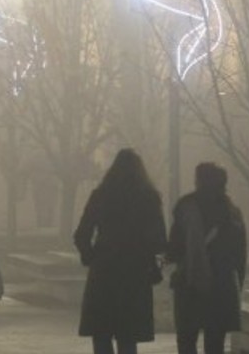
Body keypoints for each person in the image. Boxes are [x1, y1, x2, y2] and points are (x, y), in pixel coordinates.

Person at [74, 148, 166, 354]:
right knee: (128, 336)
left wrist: (90, 257)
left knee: (102, 334)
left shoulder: (100, 195)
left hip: (104, 269)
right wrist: (152, 264)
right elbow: (160, 240)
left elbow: (81, 234)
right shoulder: (149, 198)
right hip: (135, 272)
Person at [166, 163, 247, 354]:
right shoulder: (233, 213)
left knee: (186, 340)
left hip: (190, 283)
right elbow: (240, 256)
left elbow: (174, 249)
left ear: (199, 180)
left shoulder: (186, 206)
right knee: (215, 343)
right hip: (221, 286)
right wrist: (237, 285)